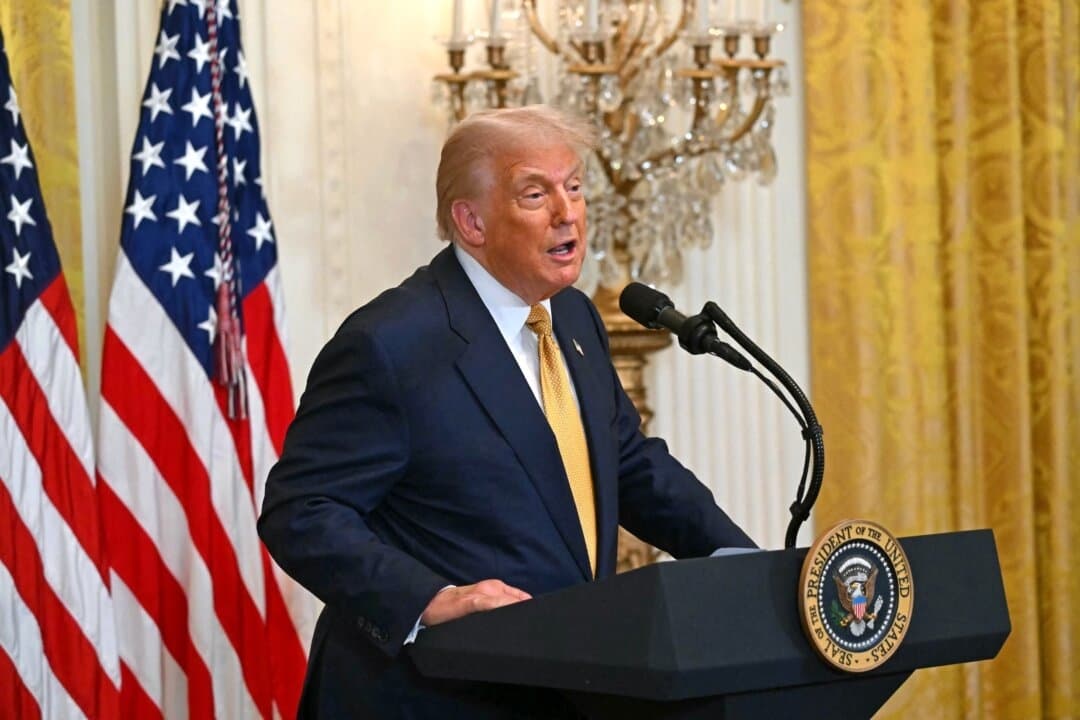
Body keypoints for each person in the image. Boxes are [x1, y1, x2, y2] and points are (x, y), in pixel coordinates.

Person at [258, 105, 755, 719]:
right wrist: (429, 599)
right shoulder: (391, 342)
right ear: (472, 222)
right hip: (428, 695)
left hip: (558, 685)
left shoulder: (572, 318)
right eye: (534, 193)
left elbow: (628, 465)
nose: (567, 211)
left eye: (574, 187)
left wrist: (746, 569)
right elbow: (301, 511)